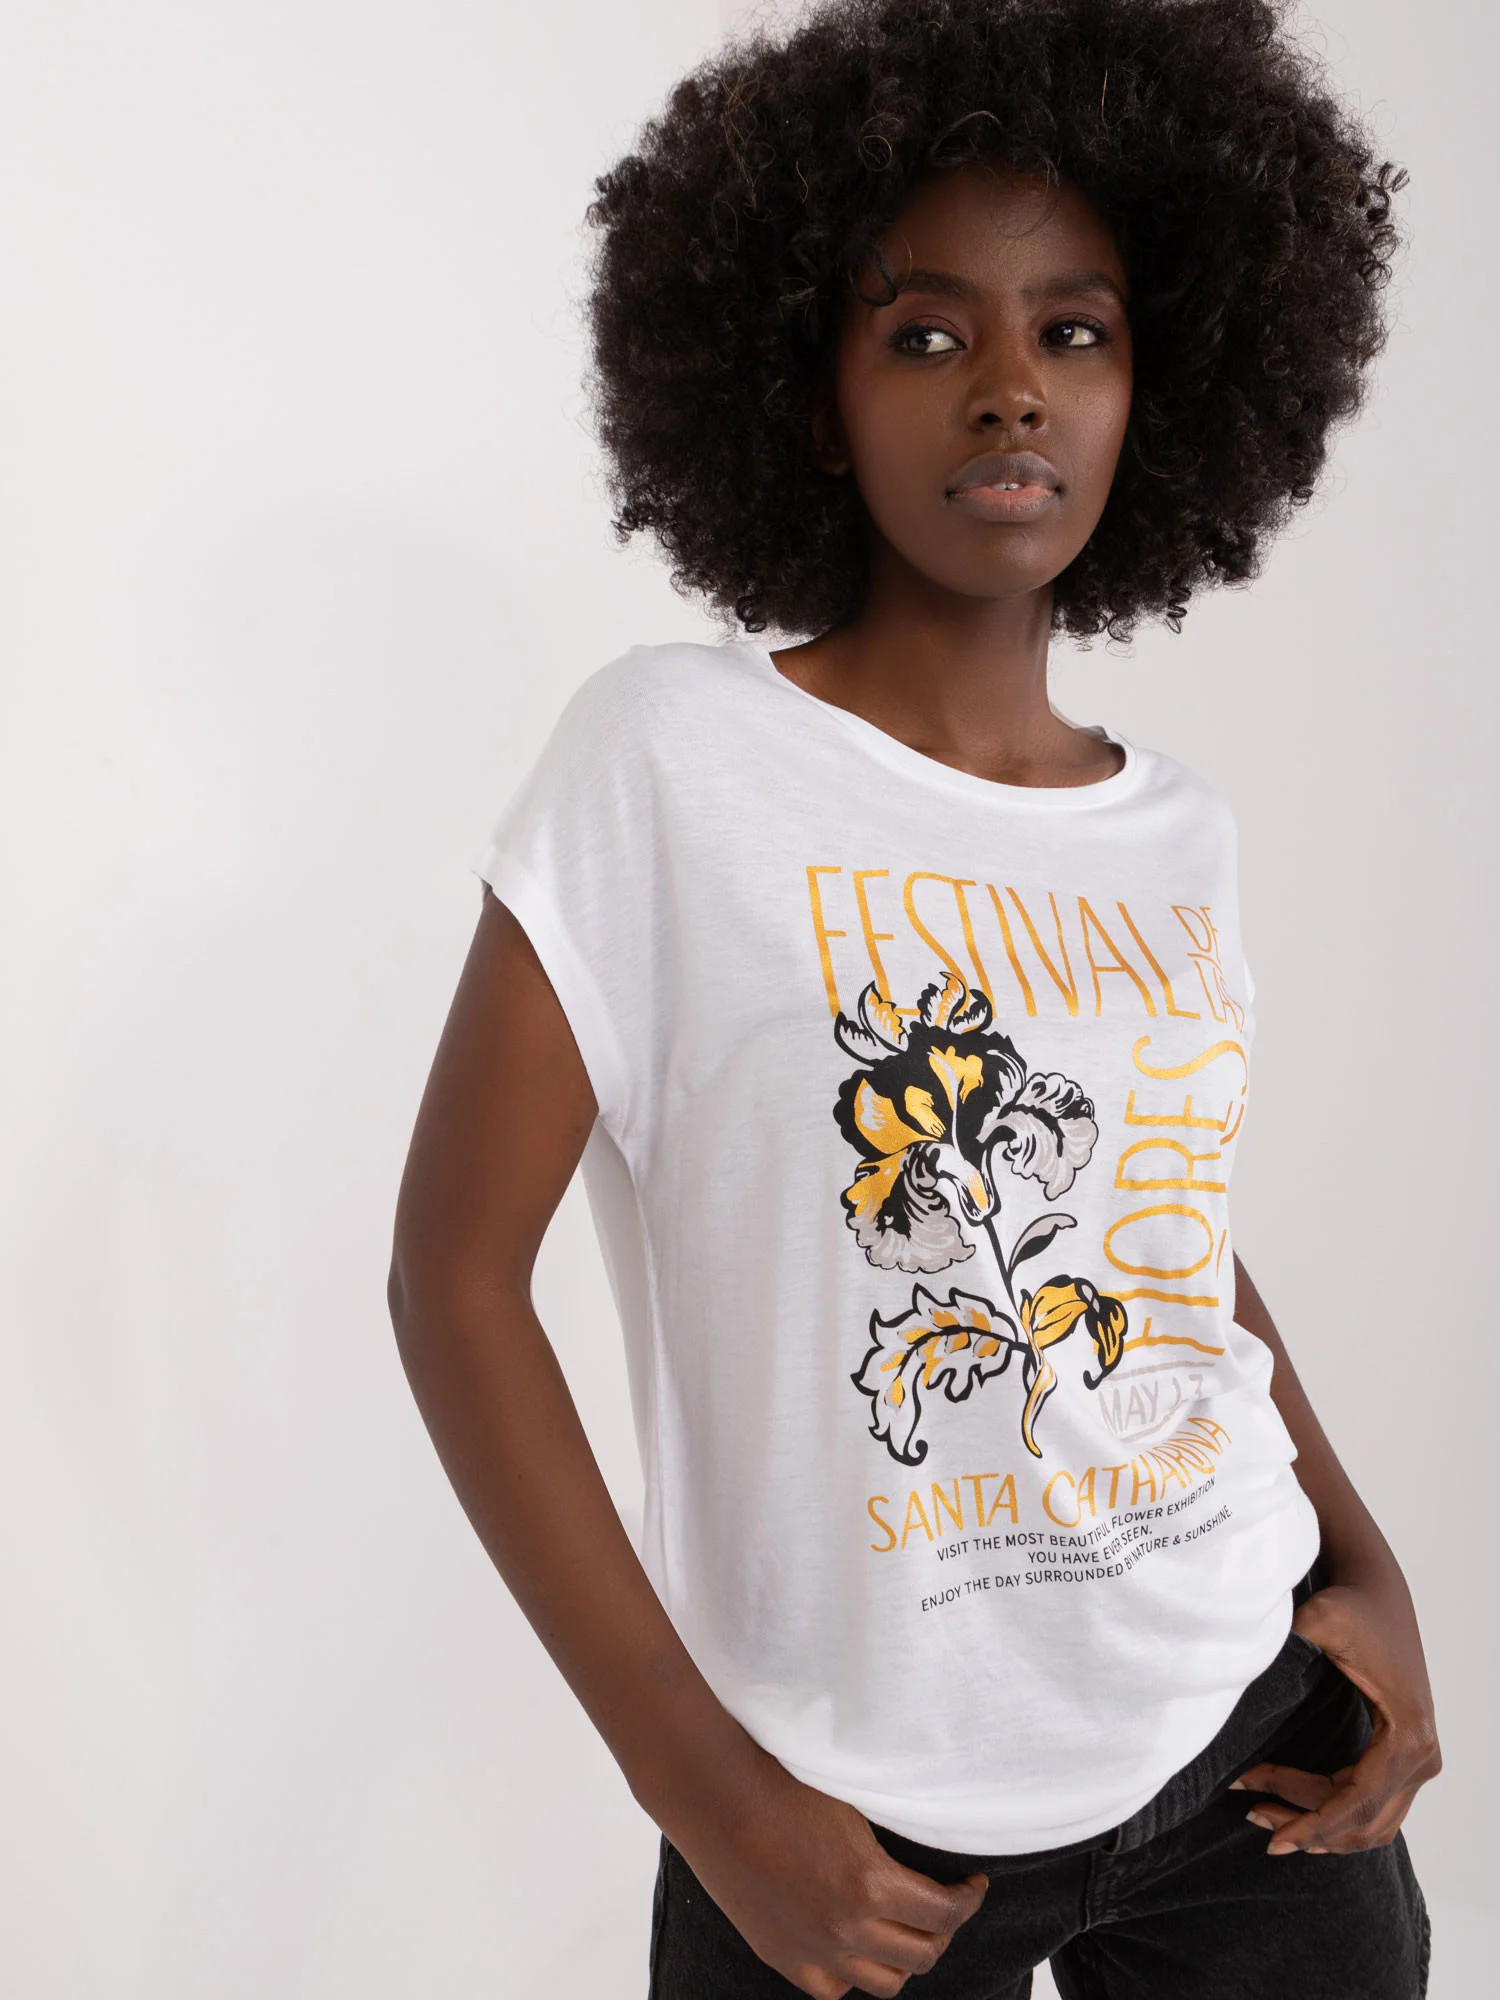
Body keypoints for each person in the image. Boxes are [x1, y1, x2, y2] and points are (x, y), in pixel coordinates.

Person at [387, 1, 1440, 1993]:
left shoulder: (1175, 833)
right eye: (930, 336)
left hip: (1245, 1757)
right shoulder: (667, 757)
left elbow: (1166, 1236)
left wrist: (1360, 1555)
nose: (1013, 390)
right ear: (814, 398)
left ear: (1161, 391)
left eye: (1077, 331)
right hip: (843, 1829)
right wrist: (704, 1794)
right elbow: (452, 1280)